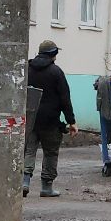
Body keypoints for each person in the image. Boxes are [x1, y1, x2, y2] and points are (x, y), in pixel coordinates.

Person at [25, 40, 78, 197]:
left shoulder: (27, 69)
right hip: (51, 121)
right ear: (53, 54)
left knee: (28, 151)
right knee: (50, 153)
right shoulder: (56, 72)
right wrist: (71, 121)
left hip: (30, 119)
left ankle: (24, 182)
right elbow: (64, 99)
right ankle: (46, 187)